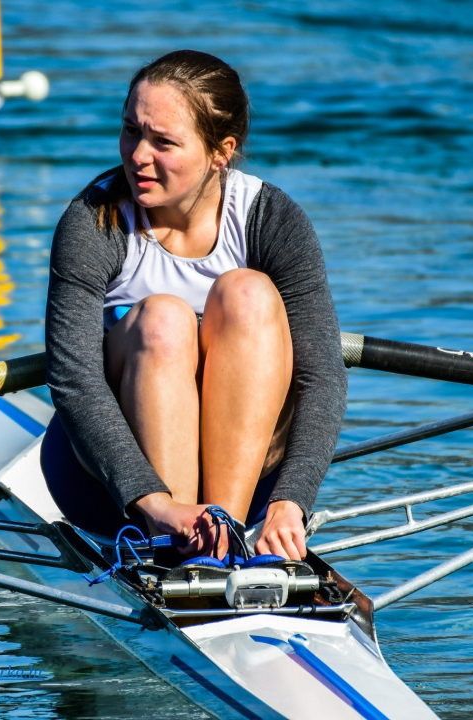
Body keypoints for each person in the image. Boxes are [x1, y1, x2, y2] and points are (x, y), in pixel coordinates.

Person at [41, 50, 346, 561]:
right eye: (131, 131)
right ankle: (176, 544)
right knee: (162, 317)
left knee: (246, 293)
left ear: (221, 151)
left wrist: (293, 500)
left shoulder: (272, 220)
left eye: (163, 142)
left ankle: (220, 540)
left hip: (252, 492)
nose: (137, 155)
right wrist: (155, 502)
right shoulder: (93, 221)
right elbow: (73, 378)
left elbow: (323, 377)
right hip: (109, 491)